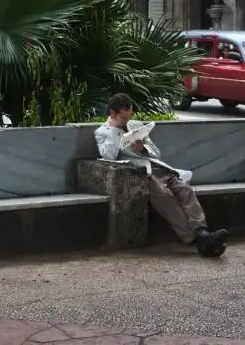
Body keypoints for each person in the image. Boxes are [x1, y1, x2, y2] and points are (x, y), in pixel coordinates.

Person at [94, 93, 228, 257]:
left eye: (129, 117)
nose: (126, 121)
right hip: (142, 174)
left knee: (185, 190)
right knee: (164, 196)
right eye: (123, 118)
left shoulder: (135, 125)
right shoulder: (102, 132)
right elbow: (108, 155)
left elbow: (157, 153)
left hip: (160, 168)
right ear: (112, 113)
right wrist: (115, 129)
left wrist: (143, 148)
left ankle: (202, 231)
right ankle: (198, 239)